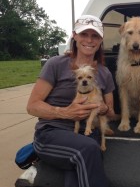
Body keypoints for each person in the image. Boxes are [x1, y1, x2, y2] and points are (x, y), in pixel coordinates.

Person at [27, 15, 116, 187]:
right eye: (84, 34)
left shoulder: (104, 73)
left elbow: (110, 113)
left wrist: (104, 108)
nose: (89, 40)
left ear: (100, 40)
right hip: (52, 133)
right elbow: (32, 106)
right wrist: (64, 112)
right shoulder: (55, 64)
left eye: (95, 36)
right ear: (74, 36)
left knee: (78, 166)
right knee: (88, 150)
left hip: (87, 135)